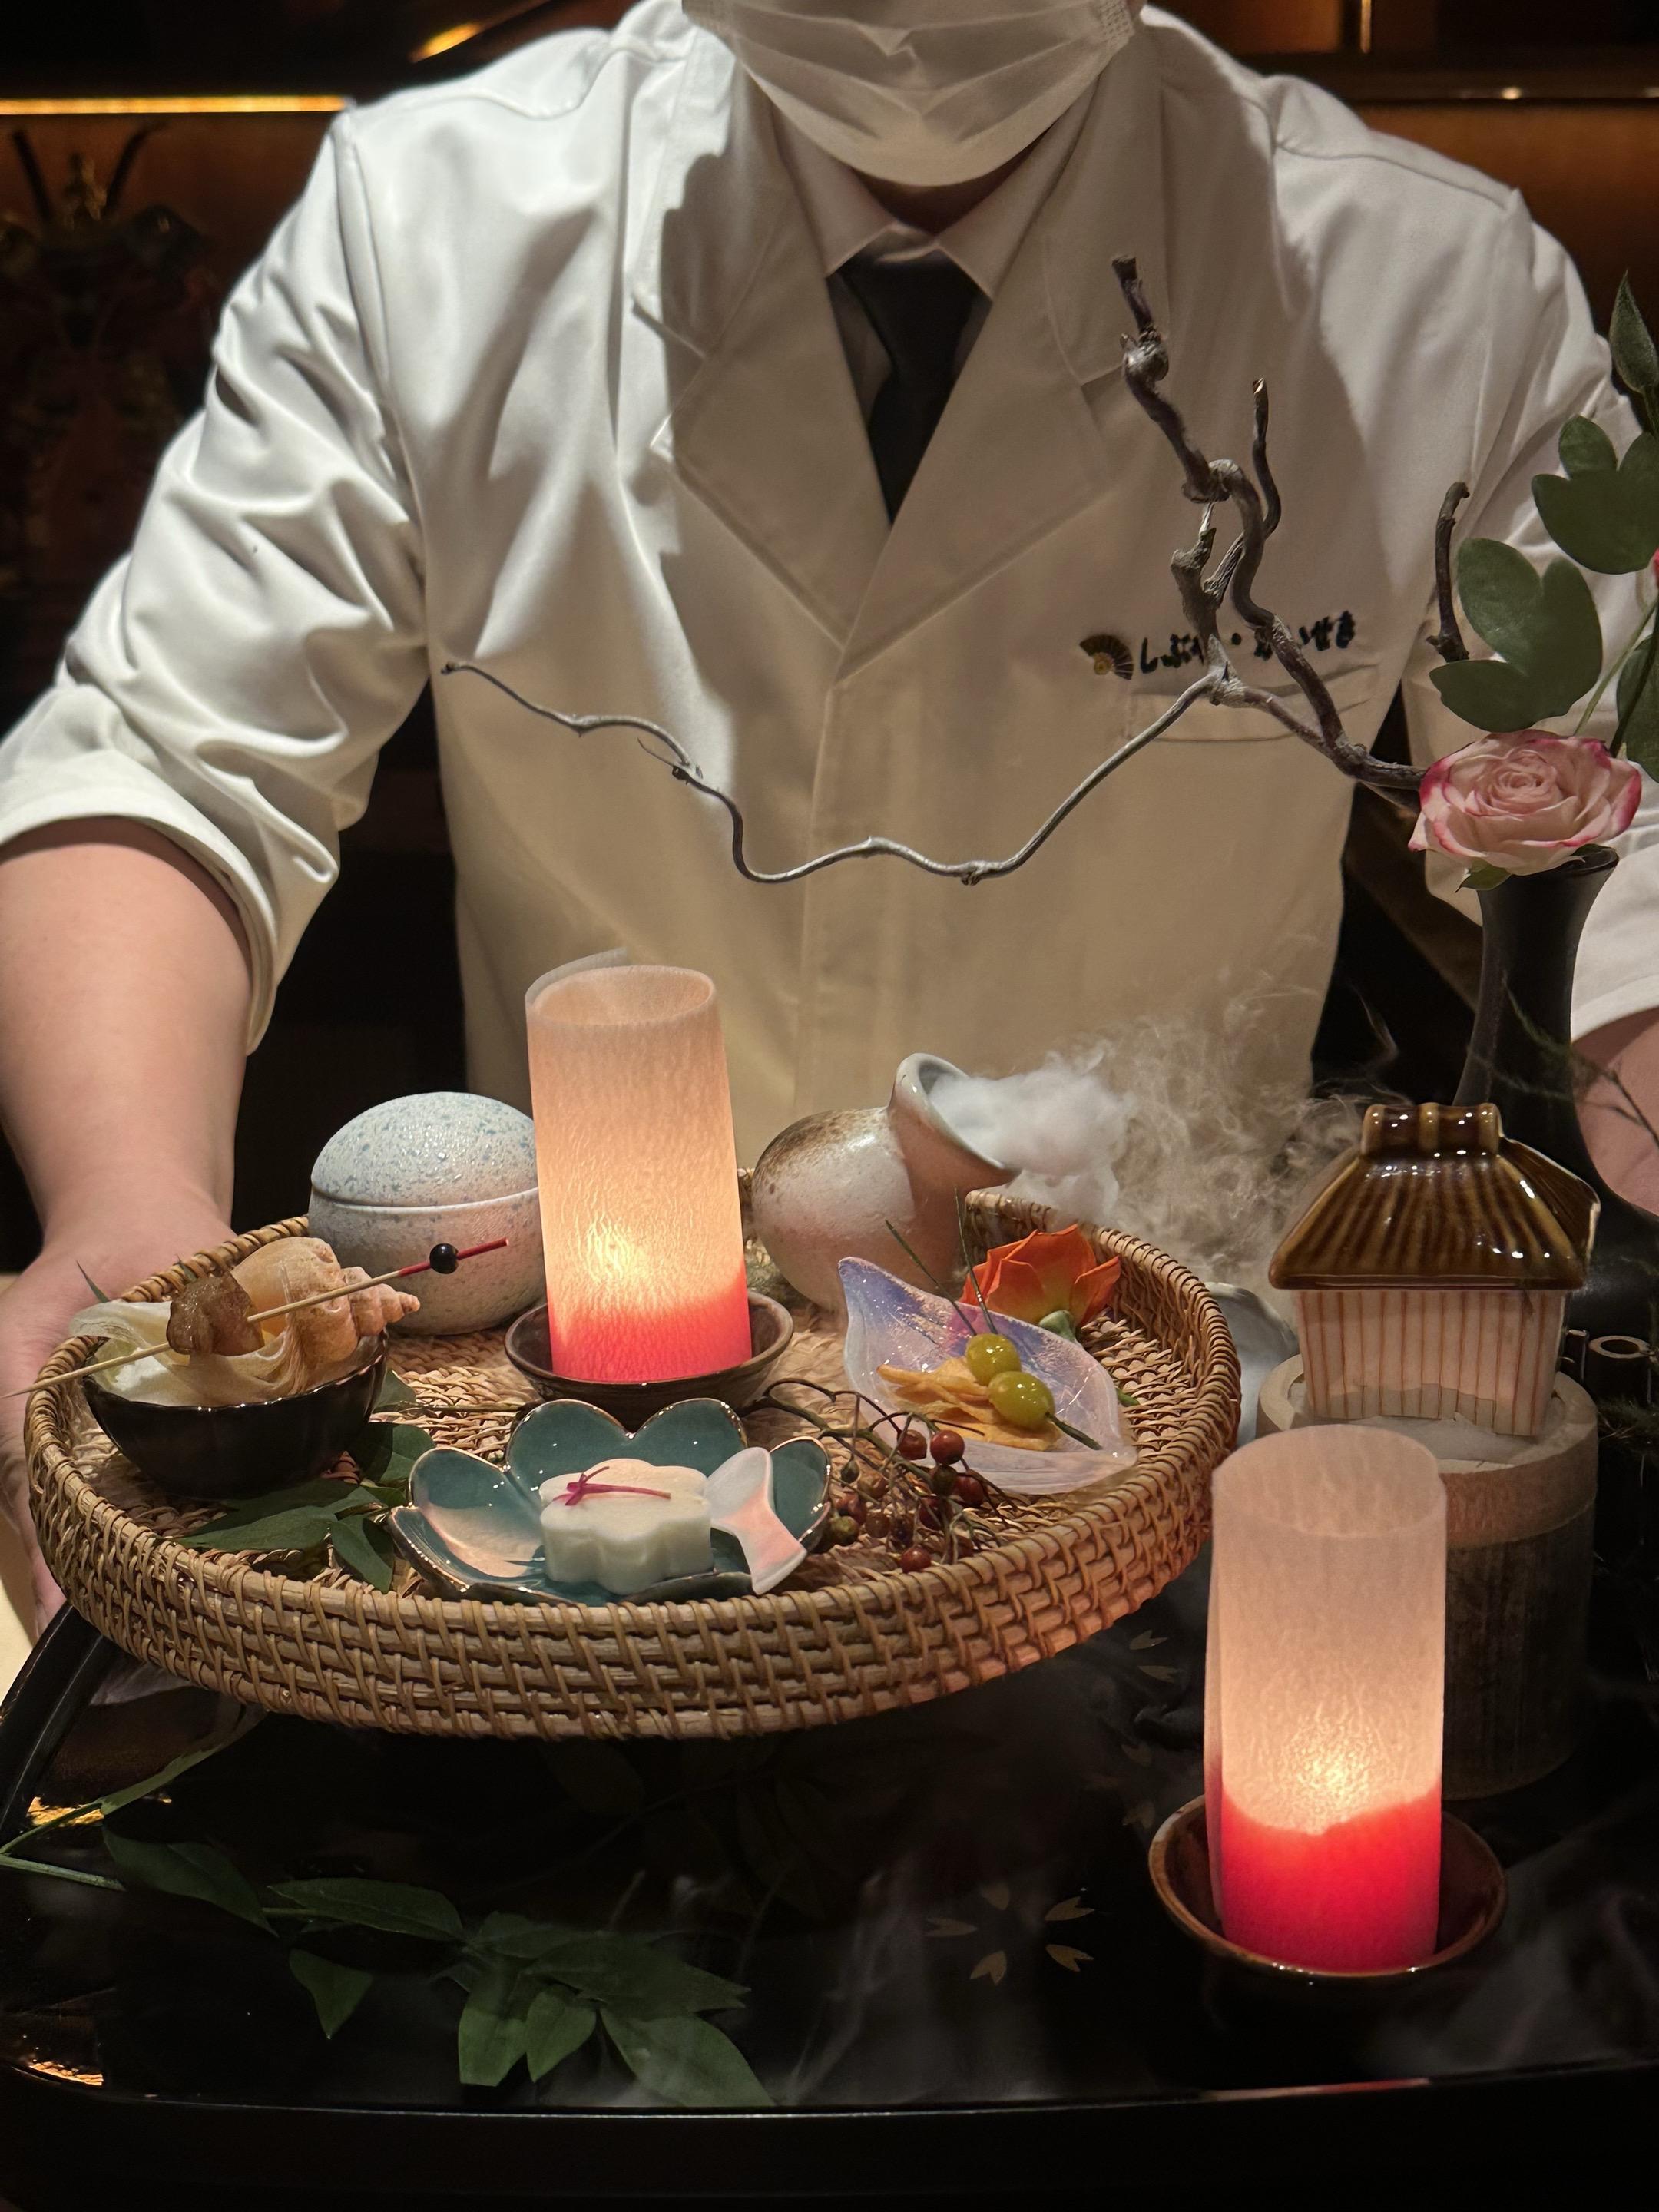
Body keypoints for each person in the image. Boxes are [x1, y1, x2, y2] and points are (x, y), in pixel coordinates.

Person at [0, 0, 1655, 1626]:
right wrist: (123, 1222)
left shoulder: (1433, 292)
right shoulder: (429, 222)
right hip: (579, 1456)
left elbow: (1628, 845)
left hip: (1165, 1455)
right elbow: (170, 755)